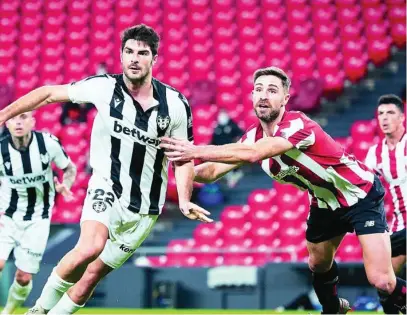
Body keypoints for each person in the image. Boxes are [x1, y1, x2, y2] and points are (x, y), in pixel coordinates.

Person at [0, 24, 212, 315]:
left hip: (145, 209)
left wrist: (186, 199)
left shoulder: (175, 105)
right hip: (106, 187)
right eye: (129, 52)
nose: (134, 58)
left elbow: (183, 157)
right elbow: (49, 93)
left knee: (90, 277)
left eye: (142, 53)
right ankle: (38, 310)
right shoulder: (104, 87)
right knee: (90, 247)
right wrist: (3, 115)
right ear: (121, 56)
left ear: (154, 59)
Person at [160, 66, 407, 314]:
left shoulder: (297, 124)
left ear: (285, 99)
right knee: (317, 263)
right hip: (323, 202)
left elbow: (255, 153)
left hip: (359, 194)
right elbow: (211, 171)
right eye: (258, 90)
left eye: (272, 90)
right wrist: (172, 167)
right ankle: (333, 309)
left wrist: (193, 150)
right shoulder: (251, 137)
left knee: (382, 281)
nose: (263, 95)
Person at [0, 111, 76, 314]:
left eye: (23, 117)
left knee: (23, 277)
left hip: (38, 220)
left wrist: (65, 185)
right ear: (6, 124)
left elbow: (69, 168)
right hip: (7, 216)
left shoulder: (47, 143)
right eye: (13, 118)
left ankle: (7, 311)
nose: (18, 121)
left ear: (32, 121)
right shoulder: (0, 149)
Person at [365, 94, 406, 314]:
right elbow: (364, 184)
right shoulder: (375, 153)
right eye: (381, 113)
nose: (384, 118)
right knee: (384, 280)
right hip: (401, 225)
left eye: (390, 113)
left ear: (402, 117)